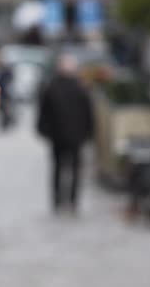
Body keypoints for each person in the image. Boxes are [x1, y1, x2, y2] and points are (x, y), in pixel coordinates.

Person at [37, 54, 94, 213]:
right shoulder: (80, 88)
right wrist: (89, 132)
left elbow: (43, 112)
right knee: (74, 169)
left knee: (57, 168)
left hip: (58, 135)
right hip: (75, 136)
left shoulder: (52, 87)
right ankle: (72, 201)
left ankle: (58, 200)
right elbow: (89, 113)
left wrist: (43, 129)